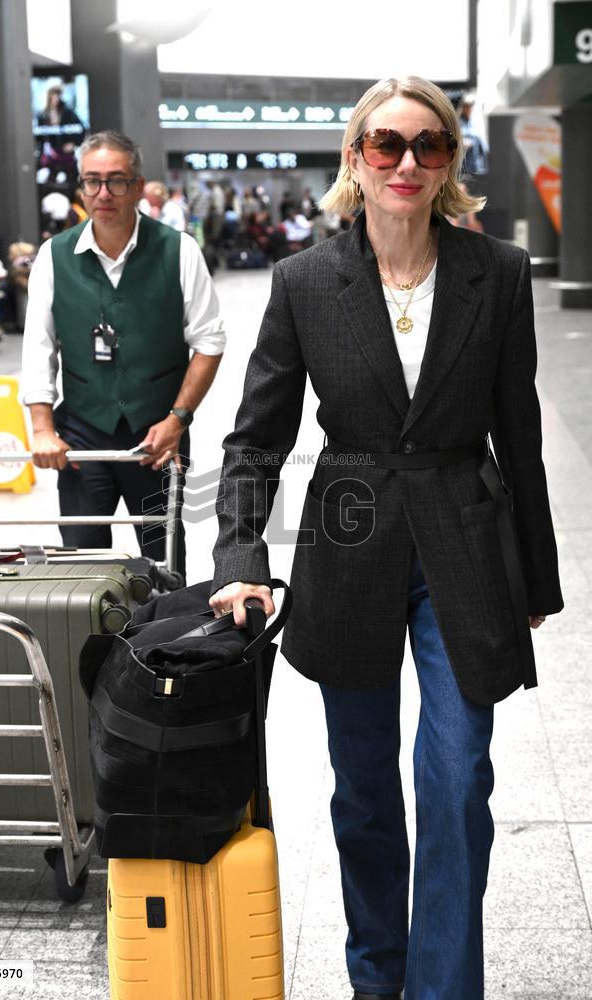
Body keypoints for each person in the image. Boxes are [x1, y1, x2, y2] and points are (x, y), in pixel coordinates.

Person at [208, 76, 563, 1000]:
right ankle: (378, 979)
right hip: (349, 542)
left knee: (454, 784)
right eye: (387, 145)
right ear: (355, 159)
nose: (407, 162)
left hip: (467, 544)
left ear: (450, 161)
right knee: (363, 792)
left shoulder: (501, 273)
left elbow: (518, 433)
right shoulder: (303, 281)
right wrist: (241, 559)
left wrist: (537, 578)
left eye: (429, 145)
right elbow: (254, 440)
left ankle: (443, 990)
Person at [21, 130, 225, 578]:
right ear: (80, 188)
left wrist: (176, 420)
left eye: (116, 181)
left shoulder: (179, 251)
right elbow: (38, 346)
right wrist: (41, 429)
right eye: (91, 181)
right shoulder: (54, 256)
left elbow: (209, 341)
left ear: (137, 186)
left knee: (164, 562)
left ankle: (166, 646)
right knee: (80, 564)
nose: (103, 193)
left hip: (157, 434)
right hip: (81, 432)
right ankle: (89, 648)